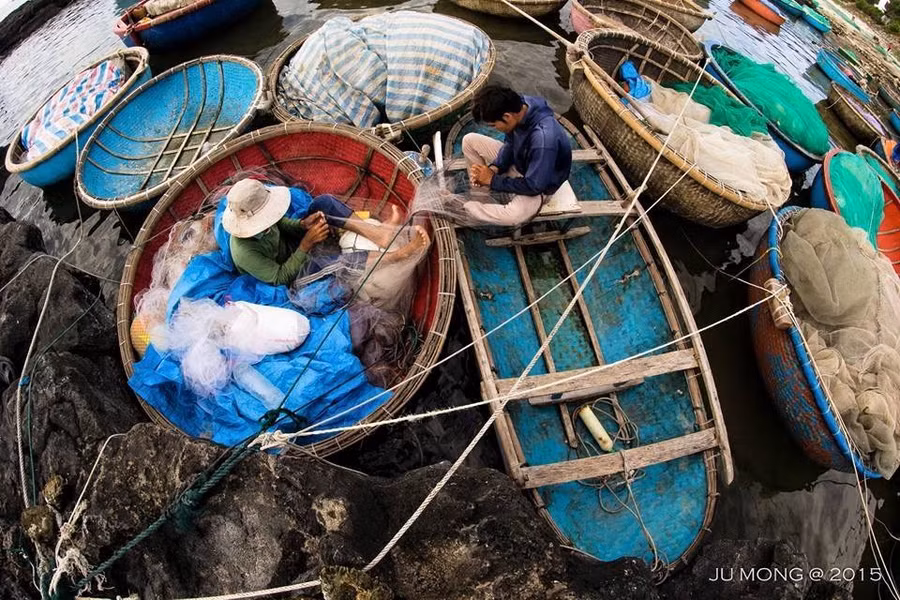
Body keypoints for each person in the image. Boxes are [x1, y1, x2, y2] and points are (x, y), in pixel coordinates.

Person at [222, 178, 428, 285]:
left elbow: (279, 224)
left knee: (323, 204)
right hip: (290, 277)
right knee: (333, 263)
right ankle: (396, 256)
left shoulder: (265, 220)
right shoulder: (244, 251)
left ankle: (380, 234)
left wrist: (302, 226)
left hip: (293, 248)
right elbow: (279, 278)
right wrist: (306, 244)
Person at [462, 85, 573, 226]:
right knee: (469, 140)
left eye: (493, 126)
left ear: (507, 117)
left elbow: (534, 186)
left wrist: (493, 180)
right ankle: (481, 195)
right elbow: (510, 142)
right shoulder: (521, 105)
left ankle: (468, 208)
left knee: (513, 216)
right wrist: (495, 167)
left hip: (539, 185)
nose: (494, 129)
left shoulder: (543, 139)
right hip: (521, 160)